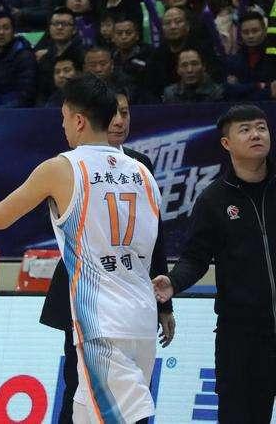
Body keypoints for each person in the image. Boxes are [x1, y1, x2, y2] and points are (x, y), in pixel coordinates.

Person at [0, 74, 161, 423]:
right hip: (141, 315)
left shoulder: (62, 167)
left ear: (79, 120)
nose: (63, 125)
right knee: (84, 413)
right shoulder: (143, 173)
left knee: (117, 419)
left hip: (101, 321)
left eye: (64, 117)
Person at [153, 104, 276, 424]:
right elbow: (196, 258)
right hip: (240, 341)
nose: (256, 134)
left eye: (261, 127)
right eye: (245, 130)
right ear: (226, 143)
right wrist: (174, 282)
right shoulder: (213, 199)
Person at [40, 83, 176, 423]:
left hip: (132, 301)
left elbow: (153, 239)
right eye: (113, 112)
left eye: (125, 113)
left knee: (125, 403)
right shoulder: (67, 165)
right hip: (87, 298)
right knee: (79, 390)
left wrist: (165, 305)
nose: (118, 120)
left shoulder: (140, 166)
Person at [0, 13, 38, 108]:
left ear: (13, 31)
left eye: (6, 28)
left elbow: (26, 93)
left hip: (17, 111)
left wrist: (3, 111)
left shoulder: (25, 56)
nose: (1, 32)